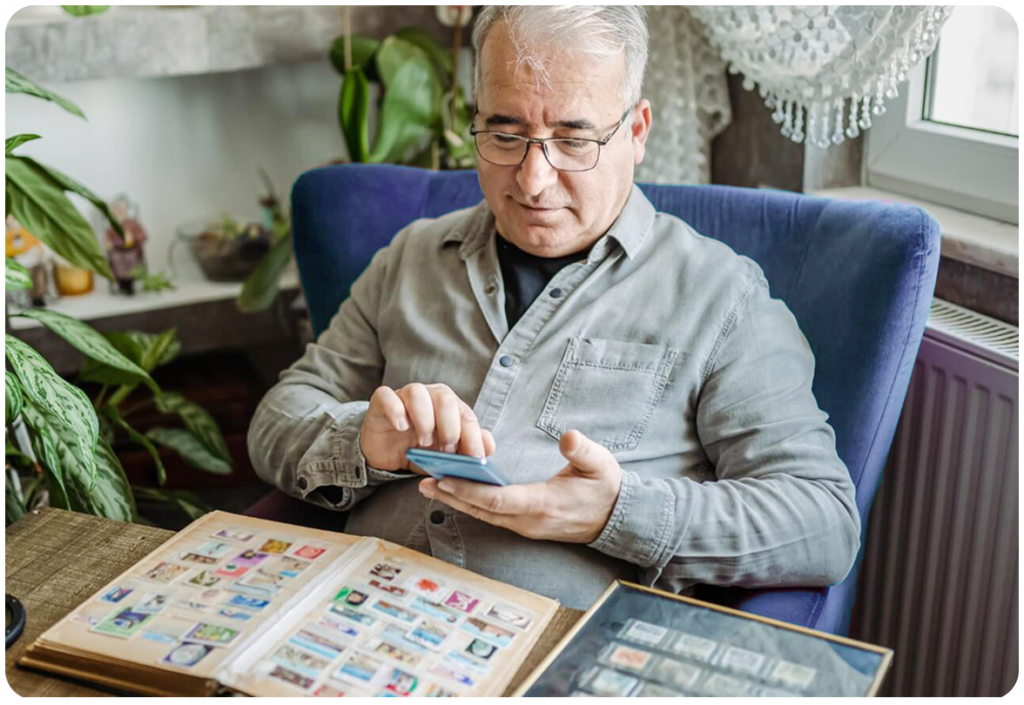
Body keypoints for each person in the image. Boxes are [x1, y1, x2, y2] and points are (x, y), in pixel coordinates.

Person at [248, 5, 860, 610]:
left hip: (551, 651)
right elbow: (278, 417)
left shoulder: (721, 296)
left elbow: (823, 523)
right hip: (352, 619)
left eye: (573, 140)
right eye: (505, 135)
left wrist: (614, 513)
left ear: (637, 131)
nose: (533, 180)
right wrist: (363, 444)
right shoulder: (413, 257)